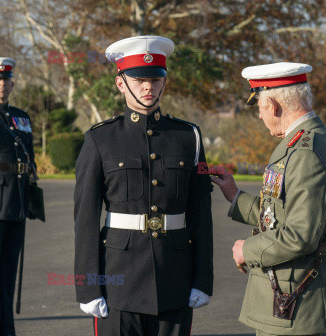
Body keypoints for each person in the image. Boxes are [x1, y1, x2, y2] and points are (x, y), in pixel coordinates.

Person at [74, 36, 213, 336]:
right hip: (118, 283)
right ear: (121, 83)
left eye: (155, 79)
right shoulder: (100, 139)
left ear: (165, 82)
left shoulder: (189, 137)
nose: (148, 87)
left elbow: (201, 213)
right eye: (139, 80)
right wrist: (88, 287)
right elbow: (85, 219)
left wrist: (203, 278)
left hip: (174, 278)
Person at [212, 62, 326, 336]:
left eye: (259, 108)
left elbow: (299, 235)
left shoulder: (305, 152)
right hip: (293, 296)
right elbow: (280, 212)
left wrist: (246, 250)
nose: (260, 117)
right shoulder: (312, 139)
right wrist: (235, 196)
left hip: (294, 299)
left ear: (272, 105)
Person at [0, 57, 37, 336]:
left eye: (5, 79)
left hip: (17, 202)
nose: (1, 84)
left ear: (12, 83)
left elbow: (29, 158)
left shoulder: (21, 117)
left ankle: (6, 328)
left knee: (8, 273)